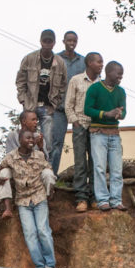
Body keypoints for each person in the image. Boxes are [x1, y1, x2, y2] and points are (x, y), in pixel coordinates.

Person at [0, 130, 57, 268]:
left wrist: (50, 188)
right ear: (20, 140)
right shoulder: (12, 156)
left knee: (43, 230)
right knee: (30, 234)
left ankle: (50, 265)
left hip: (39, 198)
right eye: (28, 138)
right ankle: (39, 266)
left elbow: (48, 169)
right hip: (23, 201)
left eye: (32, 138)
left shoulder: (38, 155)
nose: (31, 140)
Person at [84, 60, 128, 212]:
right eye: (118, 74)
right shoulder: (95, 89)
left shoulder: (121, 91)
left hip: (114, 133)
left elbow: (124, 113)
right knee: (99, 167)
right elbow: (87, 110)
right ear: (109, 72)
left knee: (117, 169)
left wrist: (119, 114)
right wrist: (105, 114)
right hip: (98, 133)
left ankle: (116, 199)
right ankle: (102, 199)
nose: (120, 77)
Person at [0, 110, 54, 219]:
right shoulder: (13, 135)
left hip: (35, 171)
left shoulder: (39, 137)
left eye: (37, 120)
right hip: (16, 169)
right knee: (4, 172)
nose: (36, 122)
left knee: (48, 173)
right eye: (33, 120)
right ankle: (7, 208)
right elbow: (10, 157)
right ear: (24, 121)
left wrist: (40, 146)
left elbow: (45, 161)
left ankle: (47, 200)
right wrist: (31, 144)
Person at [64, 51, 101, 213]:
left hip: (96, 128)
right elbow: (68, 104)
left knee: (95, 162)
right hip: (80, 125)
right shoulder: (76, 80)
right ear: (89, 63)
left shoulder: (102, 83)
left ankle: (94, 196)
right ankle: (81, 197)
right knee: (80, 162)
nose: (101, 65)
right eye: (99, 62)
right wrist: (75, 121)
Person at [15, 30, 67, 147]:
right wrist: (23, 99)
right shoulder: (29, 59)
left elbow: (63, 85)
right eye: (45, 41)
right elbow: (20, 80)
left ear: (54, 43)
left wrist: (56, 102)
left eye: (50, 41)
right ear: (40, 41)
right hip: (30, 105)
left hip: (48, 107)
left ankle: (44, 163)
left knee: (47, 142)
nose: (47, 44)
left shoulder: (59, 62)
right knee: (26, 139)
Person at [49, 31, 84, 174]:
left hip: (78, 110)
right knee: (55, 144)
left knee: (80, 146)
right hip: (59, 108)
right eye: (69, 40)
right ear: (63, 41)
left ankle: (79, 178)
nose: (72, 43)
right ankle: (51, 175)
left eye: (74, 41)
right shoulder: (55, 59)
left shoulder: (83, 61)